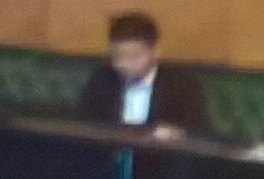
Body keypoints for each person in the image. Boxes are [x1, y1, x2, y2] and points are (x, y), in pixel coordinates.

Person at [75, 11, 209, 140]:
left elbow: (197, 130)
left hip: (160, 154)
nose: (124, 64)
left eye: (134, 56)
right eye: (117, 57)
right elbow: (84, 124)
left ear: (155, 52)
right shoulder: (101, 79)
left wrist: (175, 134)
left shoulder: (181, 84)